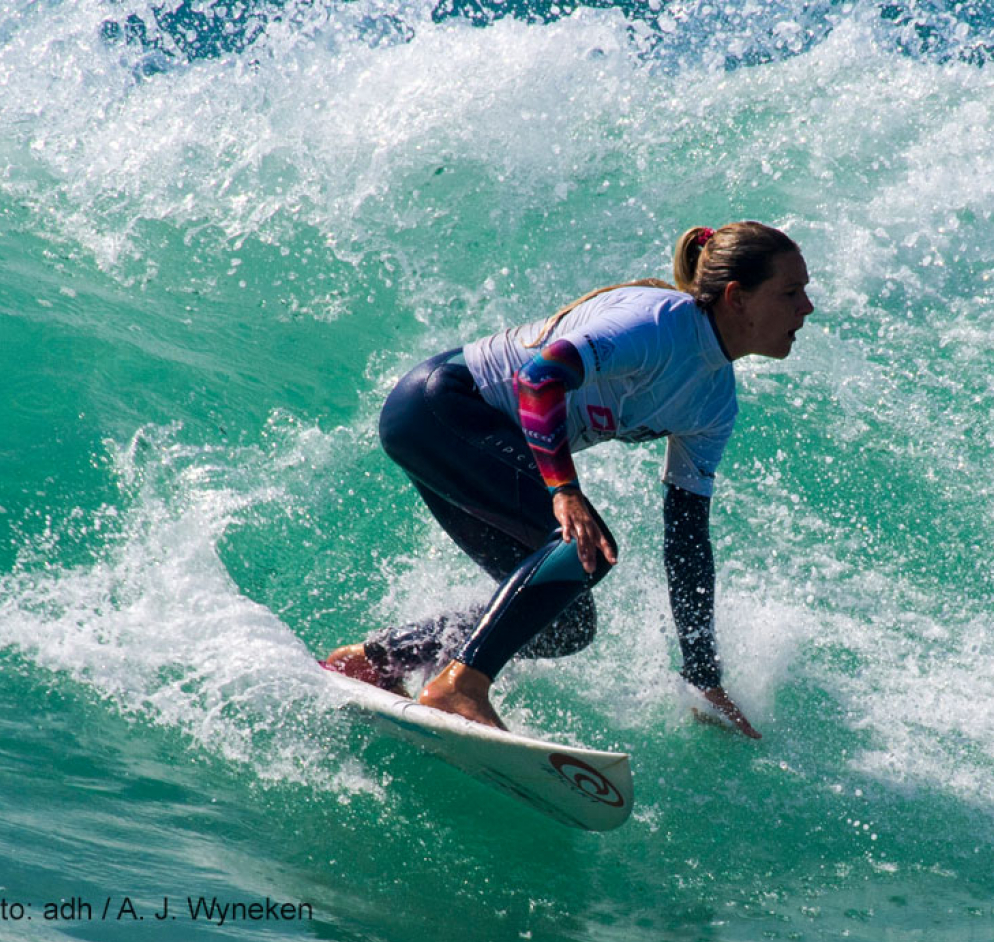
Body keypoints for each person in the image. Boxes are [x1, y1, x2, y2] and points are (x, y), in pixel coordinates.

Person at [323, 221, 813, 738]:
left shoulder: (714, 401)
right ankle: (459, 686)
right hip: (441, 408)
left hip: (466, 438)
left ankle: (376, 659)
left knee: (565, 622)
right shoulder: (659, 326)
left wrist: (703, 677)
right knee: (585, 548)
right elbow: (539, 377)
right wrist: (565, 492)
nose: (806, 307)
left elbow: (687, 541)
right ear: (737, 297)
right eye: (790, 292)